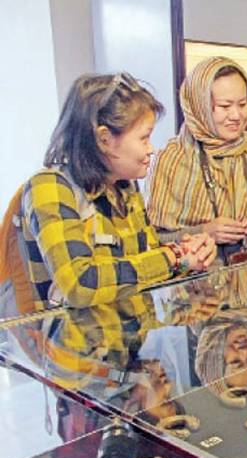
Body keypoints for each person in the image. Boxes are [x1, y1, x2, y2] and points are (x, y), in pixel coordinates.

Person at [17, 73, 215, 310]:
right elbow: (80, 285)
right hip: (72, 343)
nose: (151, 149)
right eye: (144, 138)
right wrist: (173, 257)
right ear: (104, 138)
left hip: (128, 339)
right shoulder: (49, 188)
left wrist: (188, 257)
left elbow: (146, 269)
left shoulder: (125, 186)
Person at [147, 57, 247, 264]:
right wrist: (205, 231)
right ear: (199, 106)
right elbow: (152, 239)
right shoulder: (172, 158)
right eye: (224, 106)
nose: (236, 115)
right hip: (199, 290)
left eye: (242, 104)